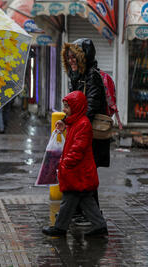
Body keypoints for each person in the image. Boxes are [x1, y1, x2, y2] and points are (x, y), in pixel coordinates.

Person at [42, 91, 107, 237]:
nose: (64, 110)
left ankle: (60, 228)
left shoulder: (83, 124)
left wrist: (65, 163)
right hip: (78, 171)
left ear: (76, 107)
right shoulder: (75, 122)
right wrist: (63, 124)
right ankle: (99, 226)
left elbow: (78, 148)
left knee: (70, 199)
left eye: (67, 106)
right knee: (84, 199)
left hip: (78, 171)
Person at [57, 38, 110, 213]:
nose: (71, 60)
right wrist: (65, 121)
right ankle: (85, 214)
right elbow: (74, 107)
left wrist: (71, 124)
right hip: (82, 131)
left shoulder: (91, 76)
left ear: (83, 57)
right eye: (69, 57)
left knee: (85, 174)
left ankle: (91, 216)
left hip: (90, 134)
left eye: (74, 57)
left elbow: (91, 107)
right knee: (82, 173)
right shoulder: (77, 76)